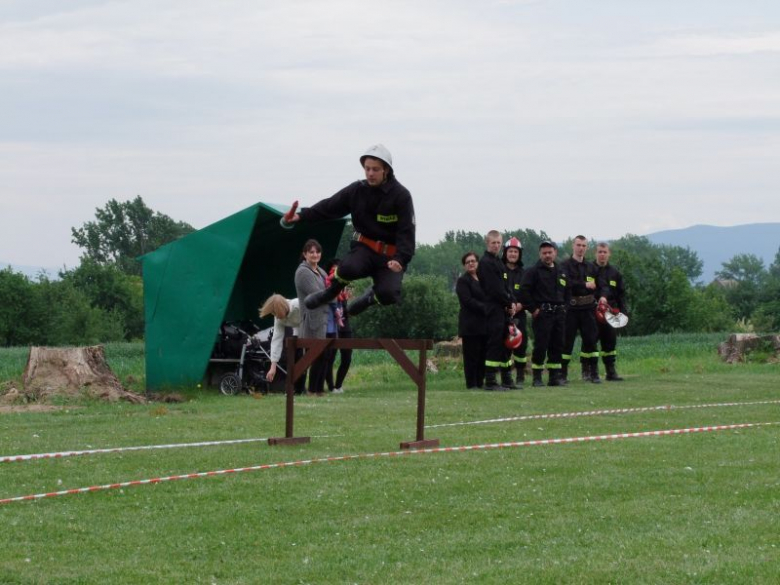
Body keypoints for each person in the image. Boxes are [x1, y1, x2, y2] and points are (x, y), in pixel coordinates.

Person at [282, 144, 415, 317]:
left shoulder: (401, 196)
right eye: (367, 169)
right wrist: (301, 216)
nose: (370, 173)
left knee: (389, 295)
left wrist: (401, 259)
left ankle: (369, 298)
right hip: (364, 248)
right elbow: (329, 206)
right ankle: (330, 293)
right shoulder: (356, 190)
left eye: (375, 169)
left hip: (390, 257)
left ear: (386, 170)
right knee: (348, 268)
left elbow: (407, 231)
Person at [519, 241, 570, 387]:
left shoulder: (562, 271)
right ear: (540, 254)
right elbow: (524, 291)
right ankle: (537, 377)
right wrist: (533, 309)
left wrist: (565, 308)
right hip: (542, 314)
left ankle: (554, 377)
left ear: (555, 252)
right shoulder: (533, 271)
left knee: (557, 345)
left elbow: (568, 292)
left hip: (559, 315)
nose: (547, 255)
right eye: (544, 253)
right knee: (541, 345)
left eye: (550, 252)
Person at [477, 230, 517, 391]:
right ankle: (491, 380)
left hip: (503, 308)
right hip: (493, 308)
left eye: (499, 243)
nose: (496, 245)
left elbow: (506, 287)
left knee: (505, 344)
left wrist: (512, 302)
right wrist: (508, 303)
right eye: (493, 243)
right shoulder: (486, 263)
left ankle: (507, 379)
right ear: (487, 243)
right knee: (494, 344)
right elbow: (495, 289)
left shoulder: (499, 262)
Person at [560, 235, 601, 384]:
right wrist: (584, 285)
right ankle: (562, 374)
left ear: (587, 247)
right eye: (578, 245)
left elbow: (599, 285)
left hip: (588, 308)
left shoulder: (591, 267)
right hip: (572, 308)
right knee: (567, 342)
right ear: (573, 246)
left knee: (591, 340)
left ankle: (593, 373)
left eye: (584, 245)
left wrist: (601, 297)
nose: (581, 248)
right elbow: (566, 283)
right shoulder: (564, 265)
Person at [294, 239, 330, 396]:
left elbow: (330, 290)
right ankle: (311, 390)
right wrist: (334, 294)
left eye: (317, 251)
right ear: (304, 254)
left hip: (325, 318)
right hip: (311, 321)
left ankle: (318, 390)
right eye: (311, 252)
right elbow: (318, 294)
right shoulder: (302, 272)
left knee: (325, 356)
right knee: (315, 355)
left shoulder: (321, 271)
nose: (315, 254)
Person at [258, 293, 306, 394]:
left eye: (275, 313)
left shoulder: (299, 304)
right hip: (296, 332)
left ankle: (313, 389)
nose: (275, 316)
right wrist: (273, 367)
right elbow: (276, 340)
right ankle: (295, 389)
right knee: (292, 358)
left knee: (306, 358)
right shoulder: (278, 319)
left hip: (312, 328)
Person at [595, 242, 628, 381]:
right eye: (600, 252)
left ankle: (611, 371)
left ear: (609, 254)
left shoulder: (615, 273)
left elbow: (621, 295)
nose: (602, 254)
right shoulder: (590, 270)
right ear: (595, 253)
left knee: (610, 342)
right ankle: (592, 372)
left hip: (611, 313)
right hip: (593, 311)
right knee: (591, 342)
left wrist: (624, 313)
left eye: (604, 252)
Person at [456, 251, 488, 389]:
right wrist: (487, 307)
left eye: (473, 261)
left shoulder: (484, 279)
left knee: (483, 356)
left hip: (485, 325)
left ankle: (480, 382)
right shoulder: (463, 281)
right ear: (464, 265)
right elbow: (468, 301)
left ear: (477, 263)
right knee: (471, 357)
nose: (470, 263)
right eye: (467, 262)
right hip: (470, 325)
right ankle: (471, 384)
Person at [502, 236, 529, 388]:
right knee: (504, 346)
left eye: (515, 252)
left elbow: (529, 294)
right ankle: (506, 376)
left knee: (521, 345)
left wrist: (521, 305)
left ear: (519, 254)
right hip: (504, 315)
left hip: (519, 315)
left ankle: (520, 375)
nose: (513, 254)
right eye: (510, 251)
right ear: (505, 253)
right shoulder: (500, 270)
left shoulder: (524, 273)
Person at [324, 259, 353, 394]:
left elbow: (347, 311)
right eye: (334, 268)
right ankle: (330, 387)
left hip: (345, 325)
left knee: (347, 357)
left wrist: (347, 302)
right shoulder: (328, 285)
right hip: (332, 325)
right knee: (329, 357)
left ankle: (338, 385)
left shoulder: (345, 285)